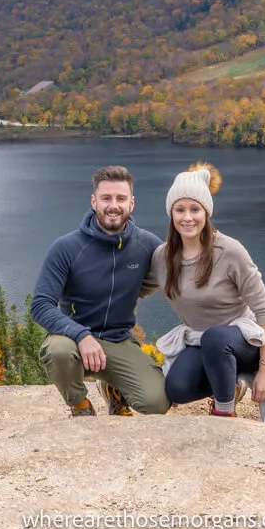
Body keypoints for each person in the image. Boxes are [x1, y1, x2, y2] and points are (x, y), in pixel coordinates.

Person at [31, 165, 169, 417]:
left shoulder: (146, 244)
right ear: (94, 201)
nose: (113, 205)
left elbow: (182, 271)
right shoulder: (66, 247)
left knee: (156, 403)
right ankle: (80, 405)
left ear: (132, 203)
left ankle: (113, 391)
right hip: (72, 340)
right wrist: (81, 336)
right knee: (57, 352)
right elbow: (40, 305)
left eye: (120, 198)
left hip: (118, 339)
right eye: (106, 198)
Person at [150, 162, 265, 418]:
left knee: (216, 338)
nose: (187, 217)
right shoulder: (163, 257)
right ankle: (231, 385)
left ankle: (224, 411)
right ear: (171, 213)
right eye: (180, 210)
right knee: (177, 389)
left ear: (206, 212)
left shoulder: (230, 251)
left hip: (244, 341)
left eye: (194, 209)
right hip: (201, 341)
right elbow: (139, 287)